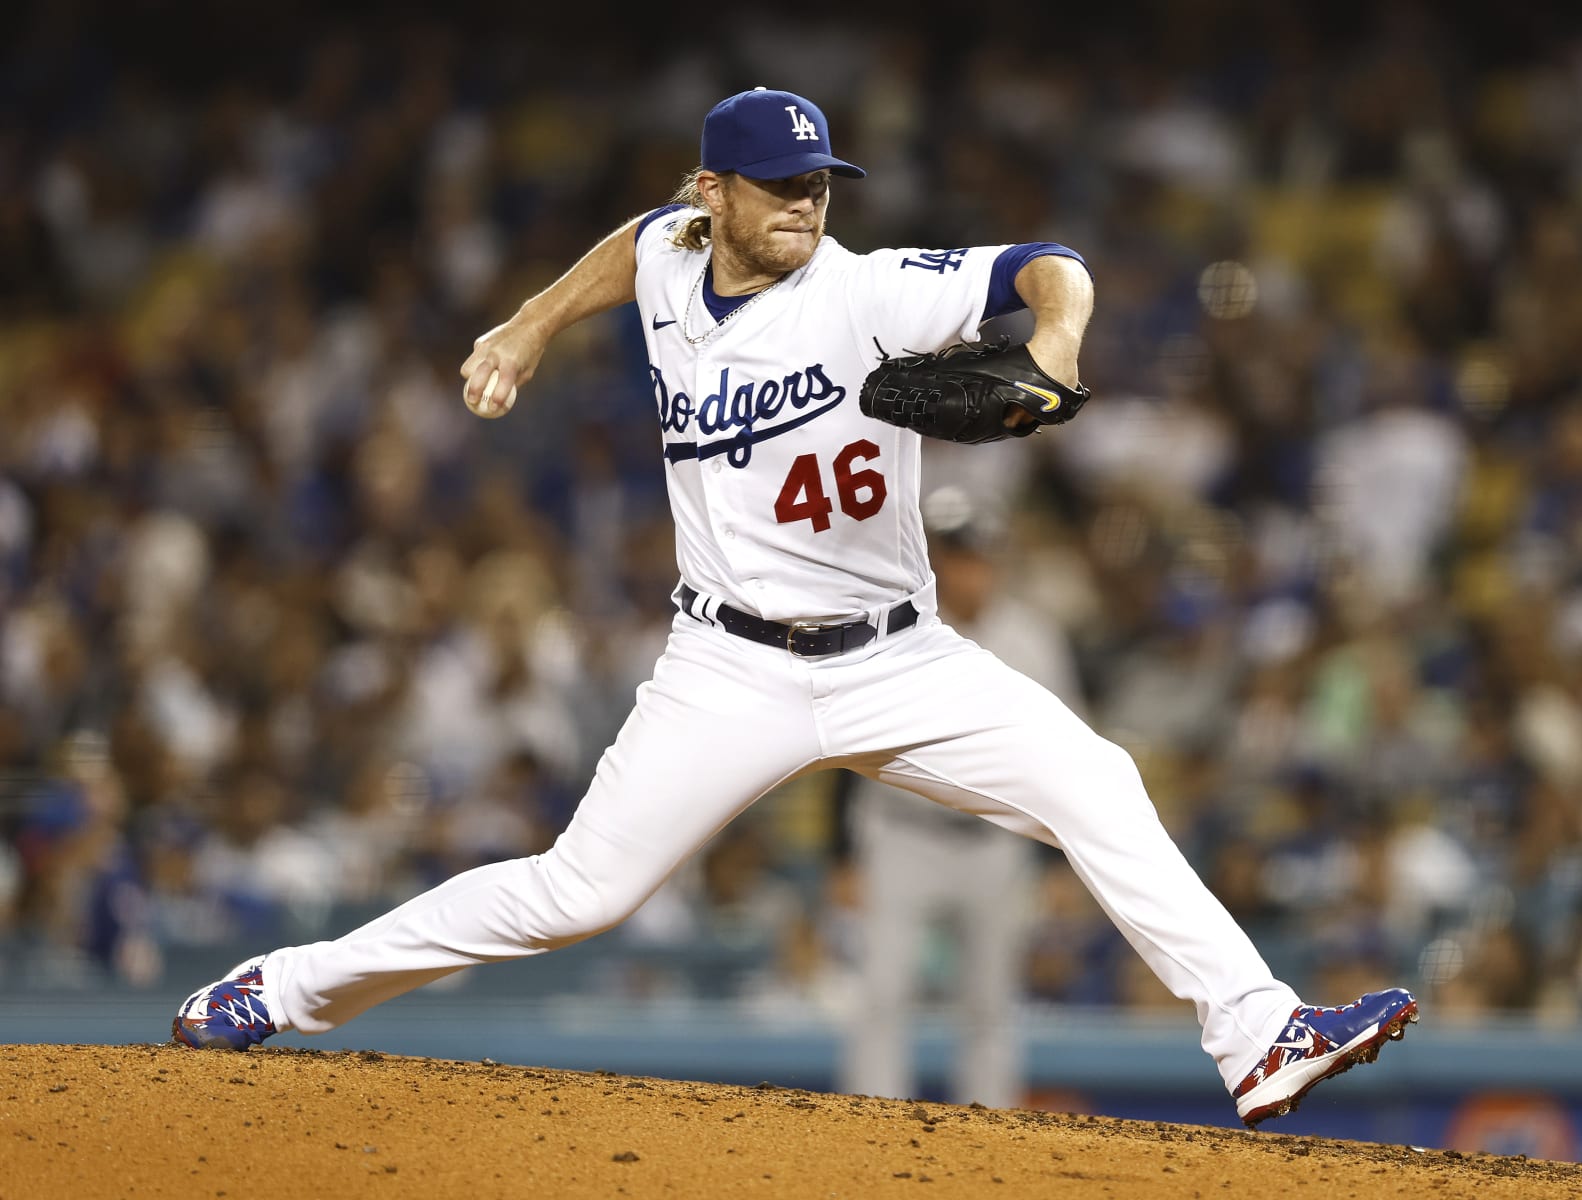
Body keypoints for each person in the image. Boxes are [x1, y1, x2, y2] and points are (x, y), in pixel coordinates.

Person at [170, 86, 1417, 1128]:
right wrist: (529, 322)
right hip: (728, 671)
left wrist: (1059, 347)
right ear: (714, 194)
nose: (808, 206)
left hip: (899, 658)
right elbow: (636, 243)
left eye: (820, 185)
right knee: (575, 899)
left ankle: (1256, 1033)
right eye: (781, 187)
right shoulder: (672, 253)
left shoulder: (863, 291)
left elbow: (1050, 266)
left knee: (1099, 780)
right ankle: (281, 989)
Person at [838, 488, 1077, 1108]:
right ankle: (872, 1132)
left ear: (993, 561)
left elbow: (1060, 756)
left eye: (972, 555)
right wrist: (841, 853)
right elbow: (845, 739)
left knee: (990, 1002)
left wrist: (1055, 859)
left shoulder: (1031, 640)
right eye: (951, 555)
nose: (962, 569)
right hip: (900, 834)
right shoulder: (891, 628)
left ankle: (989, 1142)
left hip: (996, 843)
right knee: (884, 994)